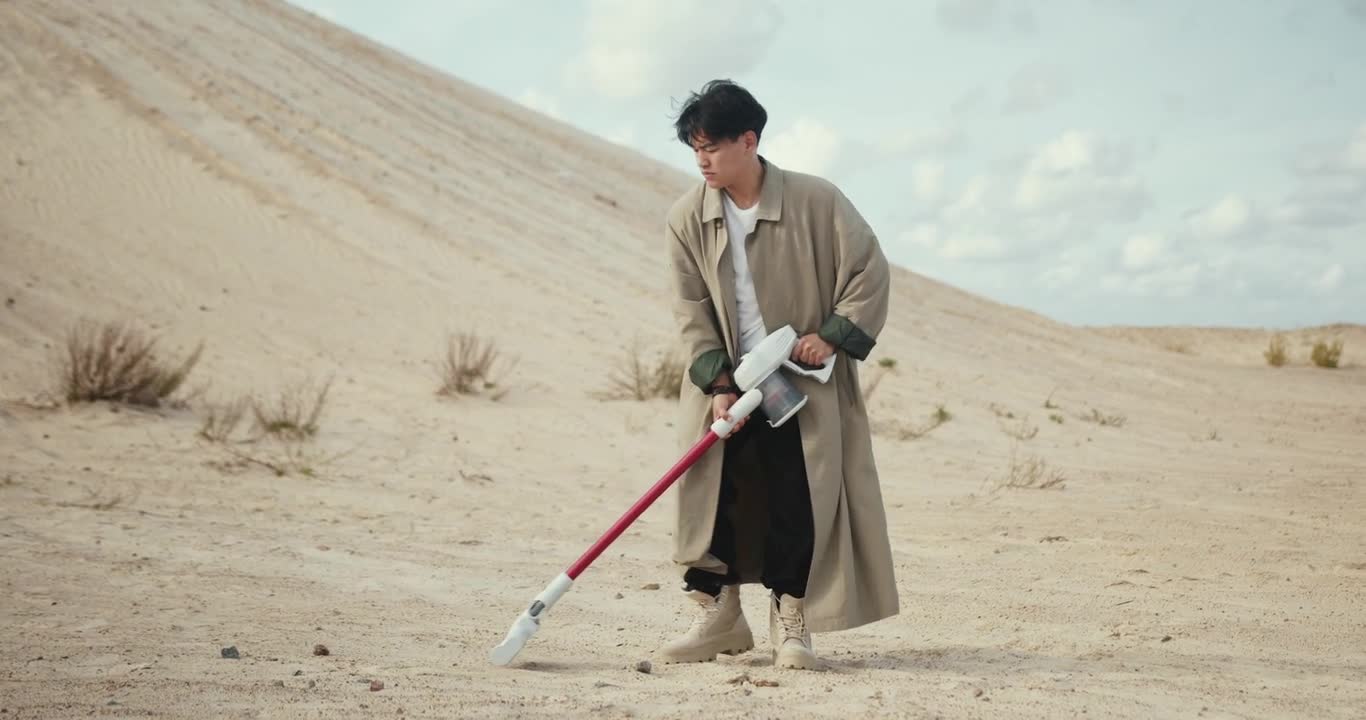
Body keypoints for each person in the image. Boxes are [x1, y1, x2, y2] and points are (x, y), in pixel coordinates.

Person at [657, 79, 899, 670]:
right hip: (728, 386)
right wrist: (718, 384)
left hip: (802, 386)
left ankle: (792, 621)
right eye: (694, 148)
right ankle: (717, 616)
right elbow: (689, 311)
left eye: (712, 145)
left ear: (750, 140)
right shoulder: (688, 217)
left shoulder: (817, 201)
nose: (702, 160)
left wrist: (832, 334)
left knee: (798, 495)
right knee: (717, 498)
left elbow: (869, 273)